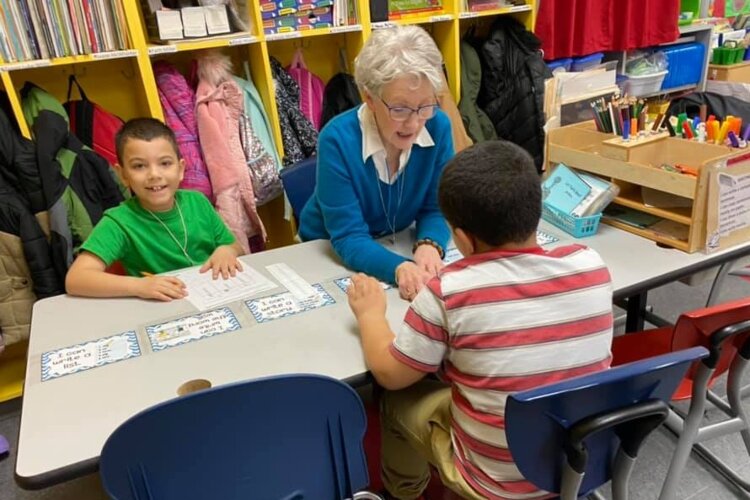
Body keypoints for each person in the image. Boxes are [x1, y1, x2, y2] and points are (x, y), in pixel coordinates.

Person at [346, 141, 614, 499]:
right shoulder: (591, 264)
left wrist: (369, 314)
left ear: (461, 238)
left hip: (496, 483)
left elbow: (390, 375)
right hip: (579, 460)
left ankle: (404, 494)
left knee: (395, 400)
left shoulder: (450, 291)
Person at [298, 25, 454, 301]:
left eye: (426, 106)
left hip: (395, 240)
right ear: (369, 98)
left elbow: (436, 207)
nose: (415, 122)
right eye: (400, 108)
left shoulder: (438, 126)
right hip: (326, 249)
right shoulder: (336, 139)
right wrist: (400, 268)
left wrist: (430, 244)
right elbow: (347, 237)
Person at [65, 118, 244, 302]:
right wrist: (139, 285)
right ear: (123, 175)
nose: (154, 175)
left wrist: (226, 251)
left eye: (165, 163)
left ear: (181, 169)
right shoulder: (118, 222)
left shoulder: (197, 202)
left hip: (216, 294)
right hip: (163, 305)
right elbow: (76, 279)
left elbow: (235, 246)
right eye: (139, 166)